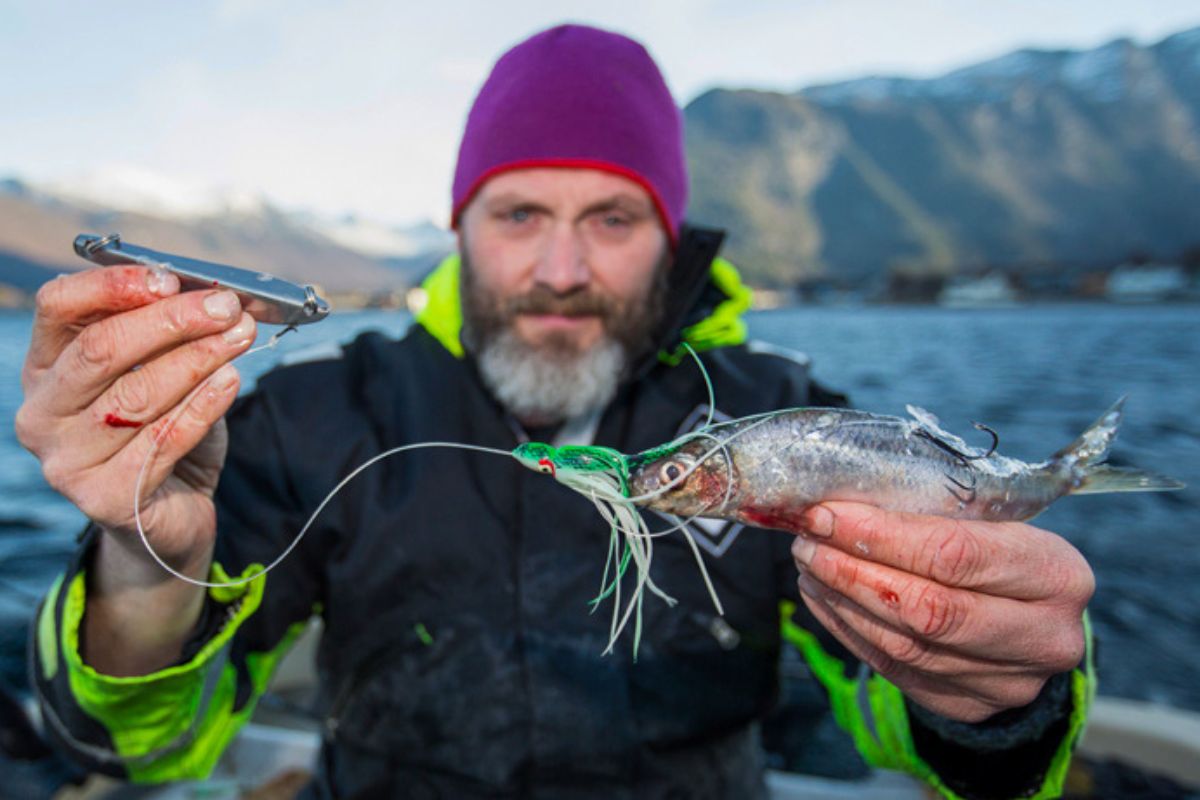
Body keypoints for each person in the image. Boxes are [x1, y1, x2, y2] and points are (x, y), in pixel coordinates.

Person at [18, 24, 1095, 800]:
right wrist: (135, 560)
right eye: (521, 211)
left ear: (671, 235)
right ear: (462, 224)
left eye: (614, 216)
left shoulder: (787, 420)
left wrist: (995, 691)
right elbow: (142, 748)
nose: (561, 267)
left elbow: (916, 729)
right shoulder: (311, 416)